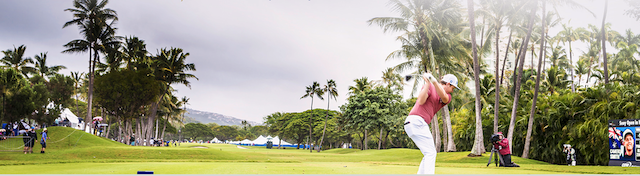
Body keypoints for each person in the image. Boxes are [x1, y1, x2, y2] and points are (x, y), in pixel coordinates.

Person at [404, 73, 459, 174]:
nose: (452, 91)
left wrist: (433, 81)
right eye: (453, 88)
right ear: (448, 84)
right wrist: (428, 84)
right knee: (430, 153)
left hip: (415, 123)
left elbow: (444, 97)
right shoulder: (429, 87)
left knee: (429, 153)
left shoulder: (447, 96)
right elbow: (420, 101)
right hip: (416, 121)